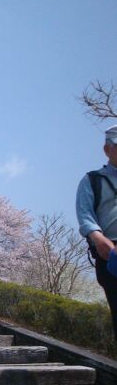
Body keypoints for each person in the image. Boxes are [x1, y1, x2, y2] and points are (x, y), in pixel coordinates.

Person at [76, 124, 117, 338]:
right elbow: (85, 215)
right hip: (109, 251)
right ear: (107, 149)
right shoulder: (92, 180)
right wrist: (98, 238)